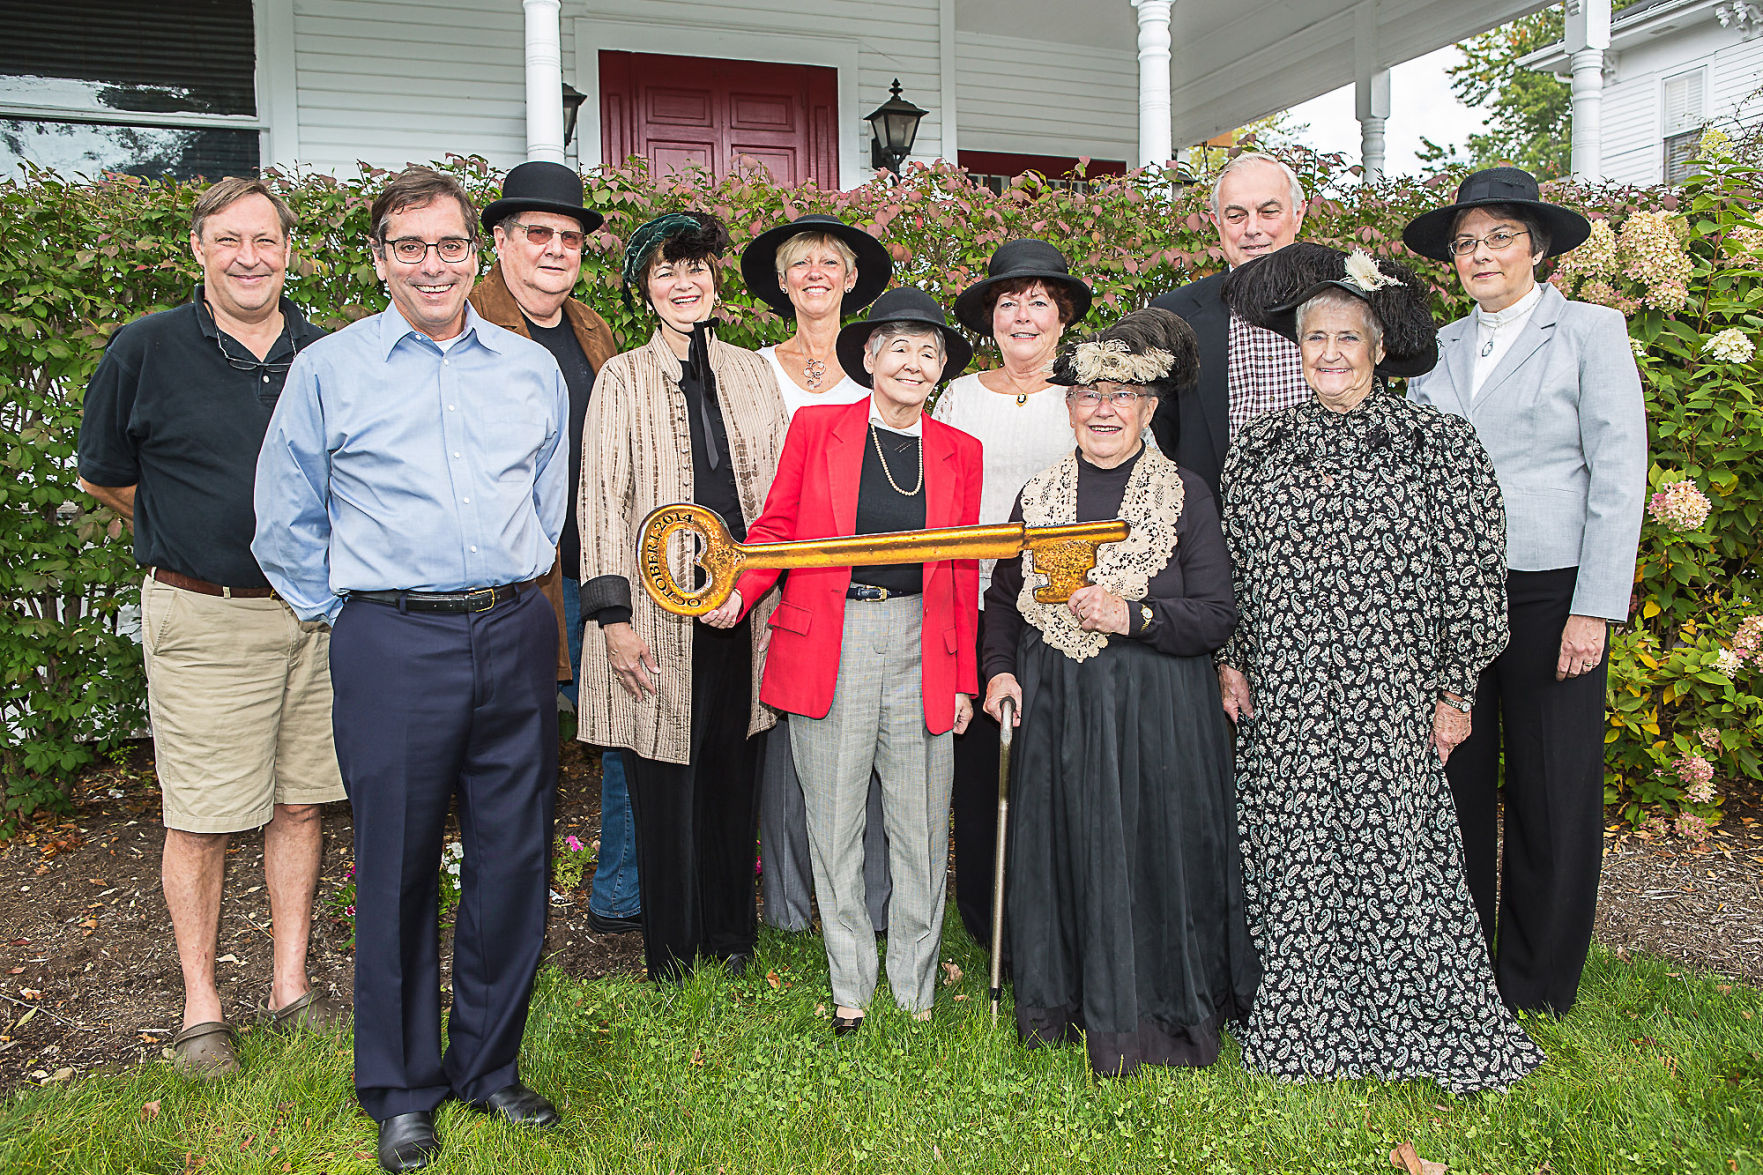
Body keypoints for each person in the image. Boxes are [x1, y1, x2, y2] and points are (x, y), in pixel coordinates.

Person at [253, 166, 569, 1172]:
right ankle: (399, 1086)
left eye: (447, 244)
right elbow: (283, 518)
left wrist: (513, 589)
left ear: (475, 254)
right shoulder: (329, 370)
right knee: (394, 863)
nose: (431, 263)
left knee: (513, 854)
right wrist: (348, 613)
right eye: (408, 246)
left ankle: (488, 1065)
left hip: (513, 628)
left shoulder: (528, 369)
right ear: (380, 260)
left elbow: (547, 501)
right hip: (393, 641)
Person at [1216, 242, 1545, 1094]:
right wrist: (1230, 660)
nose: (1328, 353)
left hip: (1393, 689)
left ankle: (1414, 1012)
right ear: (1296, 350)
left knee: (1398, 848)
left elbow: (1474, 571)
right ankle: (1309, 1022)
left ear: (1376, 349)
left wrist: (1454, 686)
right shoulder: (1257, 449)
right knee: (1292, 848)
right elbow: (1231, 569)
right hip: (1284, 686)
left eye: (1345, 338)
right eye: (1312, 338)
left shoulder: (1436, 443)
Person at [75, 177, 347, 1079]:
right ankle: (201, 1009)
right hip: (204, 614)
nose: (249, 256)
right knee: (200, 815)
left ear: (287, 249)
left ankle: (290, 986)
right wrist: (187, 525)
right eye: (229, 239)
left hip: (315, 615)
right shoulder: (146, 349)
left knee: (301, 799)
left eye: (265, 239)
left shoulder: (327, 350)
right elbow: (107, 473)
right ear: (198, 248)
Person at [981, 309, 1258, 1077]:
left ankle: (1158, 1011)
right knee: (1067, 852)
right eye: (1087, 394)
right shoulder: (1039, 497)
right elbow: (1003, 599)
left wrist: (1133, 613)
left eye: (1121, 394)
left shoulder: (1185, 496)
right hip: (1059, 712)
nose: (1103, 408)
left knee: (1150, 854)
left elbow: (1214, 614)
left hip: (1158, 717)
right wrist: (998, 668)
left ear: (1146, 407)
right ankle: (1064, 1002)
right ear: (1066, 406)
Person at [1402, 167, 1647, 1016]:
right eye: (1465, 242)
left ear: (1537, 248)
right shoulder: (1434, 349)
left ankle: (1537, 983)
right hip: (1451, 598)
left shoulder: (1589, 331)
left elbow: (1619, 472)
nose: (1480, 253)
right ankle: (1461, 966)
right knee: (1455, 780)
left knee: (1550, 785)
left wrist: (1594, 605)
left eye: (1499, 236)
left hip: (1551, 591)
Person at [705, 288, 980, 1034]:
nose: (913, 363)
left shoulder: (960, 451)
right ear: (867, 357)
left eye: (929, 352)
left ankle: (915, 988)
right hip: (833, 640)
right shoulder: (817, 427)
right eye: (898, 347)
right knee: (833, 826)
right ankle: (850, 982)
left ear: (940, 371)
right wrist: (740, 589)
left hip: (923, 642)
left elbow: (957, 570)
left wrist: (962, 677)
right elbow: (776, 529)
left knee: (921, 826)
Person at [576, 212, 789, 984]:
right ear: (645, 290)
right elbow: (599, 500)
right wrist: (613, 619)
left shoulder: (752, 372)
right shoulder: (622, 377)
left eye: (695, 269)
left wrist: (754, 582)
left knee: (735, 775)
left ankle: (731, 940)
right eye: (666, 271)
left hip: (742, 608)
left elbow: (773, 494)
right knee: (665, 783)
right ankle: (670, 955)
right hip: (654, 613)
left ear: (716, 283)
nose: (683, 283)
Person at [468, 160, 641, 938]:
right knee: (515, 755)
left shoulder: (592, 329)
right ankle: (510, 914)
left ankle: (620, 896)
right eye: (537, 233)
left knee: (627, 731)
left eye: (569, 236)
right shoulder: (461, 318)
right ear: (500, 241)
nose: (555, 248)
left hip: (592, 569)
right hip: (509, 583)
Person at [737, 213, 894, 936]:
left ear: (852, 278)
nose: (816, 274)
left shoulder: (882, 370)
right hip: (777, 577)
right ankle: (794, 902)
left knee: (868, 744)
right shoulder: (749, 368)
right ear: (781, 279)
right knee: (789, 745)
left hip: (866, 582)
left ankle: (868, 896)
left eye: (830, 263)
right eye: (802, 264)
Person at [937, 238, 1092, 947]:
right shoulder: (959, 396)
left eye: (1038, 301)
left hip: (1065, 608)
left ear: (1060, 317)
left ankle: (1053, 911)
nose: (1022, 315)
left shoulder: (1088, 397)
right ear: (990, 319)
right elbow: (936, 500)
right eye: (1008, 302)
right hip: (973, 601)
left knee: (1055, 764)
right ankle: (984, 915)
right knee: (978, 767)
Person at [1149, 152, 1309, 499]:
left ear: (1298, 214)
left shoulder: (1346, 307)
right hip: (1216, 534)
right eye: (1236, 215)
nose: (1253, 229)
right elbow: (1165, 434)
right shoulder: (1172, 317)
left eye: (1269, 212)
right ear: (1217, 222)